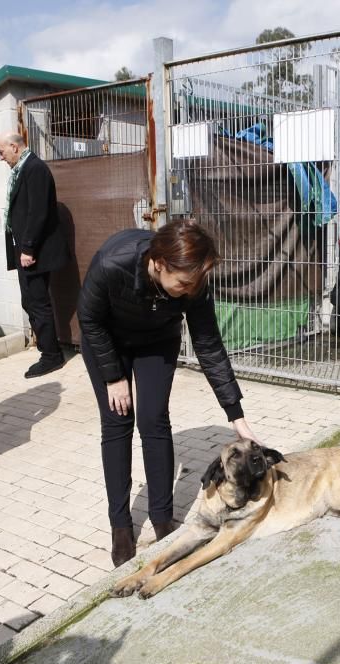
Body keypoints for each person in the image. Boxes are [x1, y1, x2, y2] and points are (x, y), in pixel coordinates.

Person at [77, 218, 260, 567]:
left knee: (153, 419)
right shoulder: (112, 262)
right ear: (159, 265)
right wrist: (114, 377)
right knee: (117, 422)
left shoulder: (194, 283)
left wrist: (235, 414)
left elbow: (209, 345)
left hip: (157, 340)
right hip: (107, 340)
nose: (189, 290)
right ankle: (120, 526)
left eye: (195, 284)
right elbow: (89, 318)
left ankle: (163, 520)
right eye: (183, 283)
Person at [0, 131, 69, 378]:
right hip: (26, 250)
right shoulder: (24, 168)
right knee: (31, 301)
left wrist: (28, 248)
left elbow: (38, 212)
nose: (1, 158)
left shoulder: (34, 168)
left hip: (34, 252)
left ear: (14, 147)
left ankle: (51, 356)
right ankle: (49, 351)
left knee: (37, 302)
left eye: (1, 151)